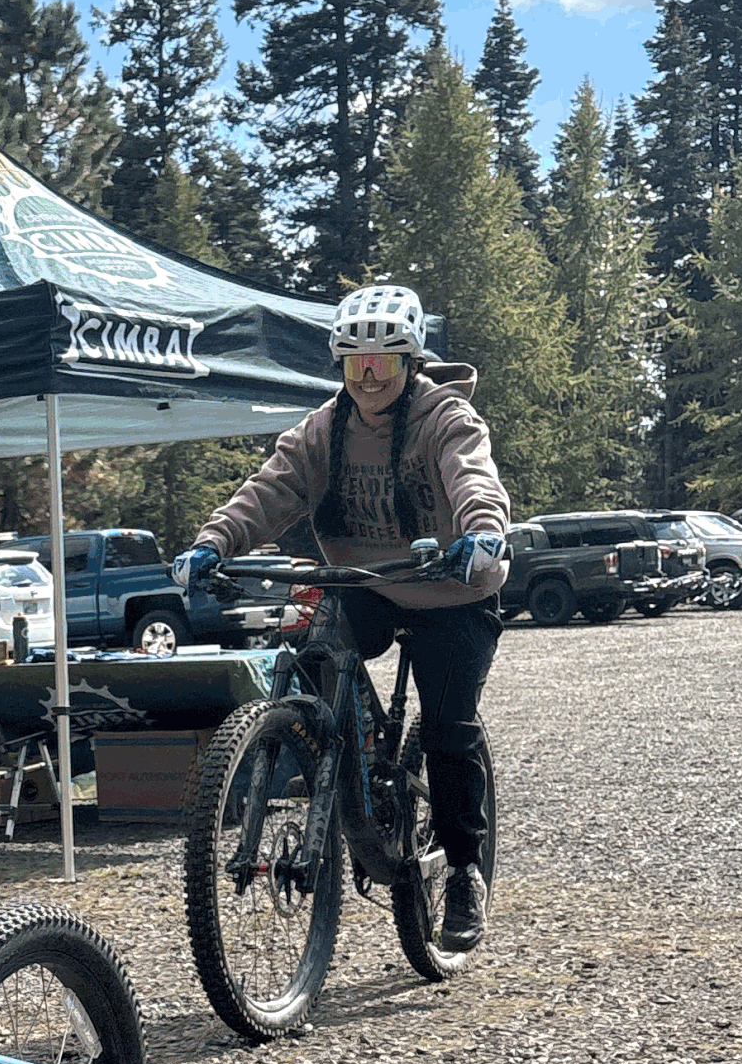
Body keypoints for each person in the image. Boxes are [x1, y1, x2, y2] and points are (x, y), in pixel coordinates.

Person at [176, 281, 509, 947]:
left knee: (447, 731)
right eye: (356, 362)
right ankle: (342, 765)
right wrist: (214, 542)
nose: (369, 376)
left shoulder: (445, 416)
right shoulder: (323, 429)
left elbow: (473, 475)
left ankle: (464, 871)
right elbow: (269, 489)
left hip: (451, 586)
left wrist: (483, 532)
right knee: (314, 656)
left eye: (382, 361)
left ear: (410, 361)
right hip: (365, 581)